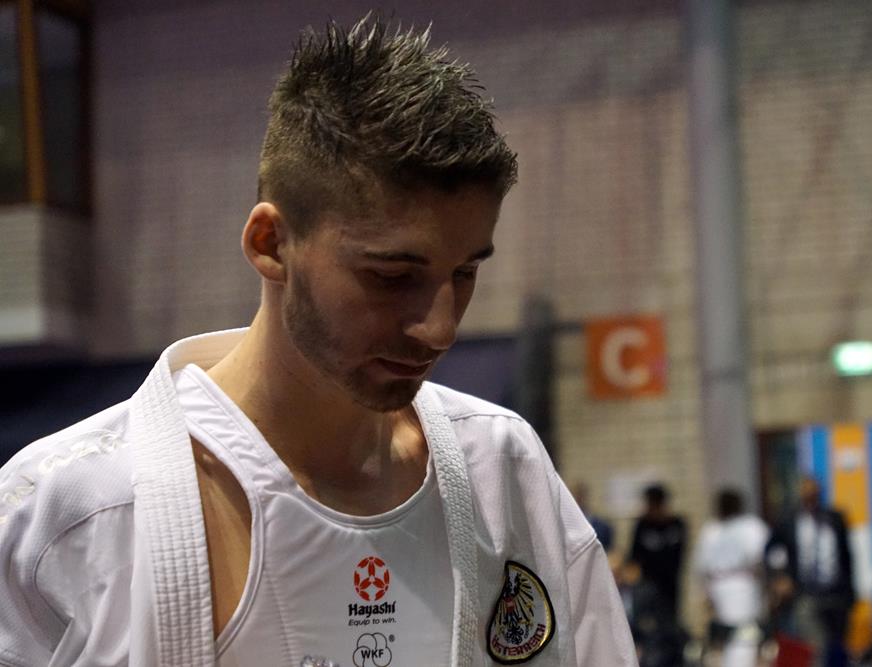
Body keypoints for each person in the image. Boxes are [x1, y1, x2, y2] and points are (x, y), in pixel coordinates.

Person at [0, 16, 636, 667]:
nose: (440, 327)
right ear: (271, 244)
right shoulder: (64, 517)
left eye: (464, 273)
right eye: (392, 276)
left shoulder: (504, 472)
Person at [766, 477, 856, 667]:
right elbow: (771, 550)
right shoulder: (789, 520)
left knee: (837, 647)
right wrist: (779, 577)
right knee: (816, 646)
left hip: (835, 593)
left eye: (813, 491)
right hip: (805, 593)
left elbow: (847, 556)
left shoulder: (834, 518)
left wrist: (850, 592)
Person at [694, 488, 770, 667]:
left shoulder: (746, 526)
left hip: (739, 584)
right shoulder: (715, 529)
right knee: (736, 635)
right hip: (729, 586)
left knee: (742, 634)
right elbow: (701, 567)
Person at [630, 483, 687, 624]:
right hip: (648, 584)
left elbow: (679, 556)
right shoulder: (643, 526)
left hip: (669, 586)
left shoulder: (676, 525)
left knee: (668, 623)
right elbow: (634, 556)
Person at [571, 480, 615, 550]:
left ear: (586, 496)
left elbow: (610, 550)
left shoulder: (603, 526)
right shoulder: (565, 526)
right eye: (577, 495)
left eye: (582, 495)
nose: (579, 498)